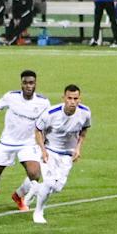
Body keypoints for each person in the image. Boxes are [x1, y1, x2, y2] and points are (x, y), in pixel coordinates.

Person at [0, 69, 51, 212]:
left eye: (31, 83)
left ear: (35, 84)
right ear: (21, 84)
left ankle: (19, 196)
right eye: (25, 83)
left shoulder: (43, 102)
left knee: (35, 174)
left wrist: (45, 143)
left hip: (28, 143)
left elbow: (47, 123)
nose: (28, 86)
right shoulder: (11, 97)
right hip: (7, 142)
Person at [27, 84, 90, 225]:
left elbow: (84, 130)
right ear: (63, 98)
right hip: (49, 151)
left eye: (75, 98)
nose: (72, 101)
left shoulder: (85, 112)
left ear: (80, 99)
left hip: (67, 154)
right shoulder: (51, 113)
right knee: (49, 183)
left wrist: (78, 148)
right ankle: (38, 212)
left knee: (57, 187)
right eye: (69, 98)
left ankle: (35, 188)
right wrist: (42, 150)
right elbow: (37, 130)